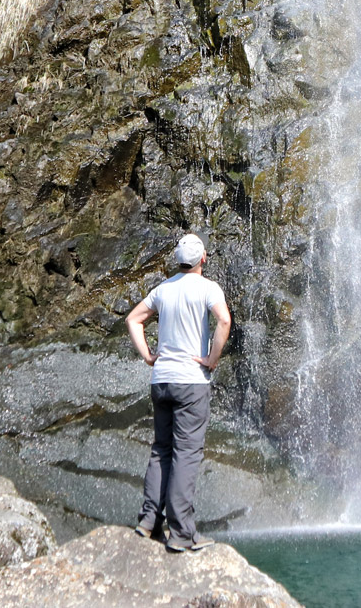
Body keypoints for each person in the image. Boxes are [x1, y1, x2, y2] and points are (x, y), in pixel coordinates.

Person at [125, 232, 231, 552]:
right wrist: (212, 359)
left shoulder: (163, 289)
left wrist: (148, 355)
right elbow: (224, 320)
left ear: (177, 261)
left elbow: (133, 320)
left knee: (161, 450)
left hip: (162, 380)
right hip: (191, 382)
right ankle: (182, 533)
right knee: (186, 453)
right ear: (203, 259)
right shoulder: (208, 288)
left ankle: (148, 522)